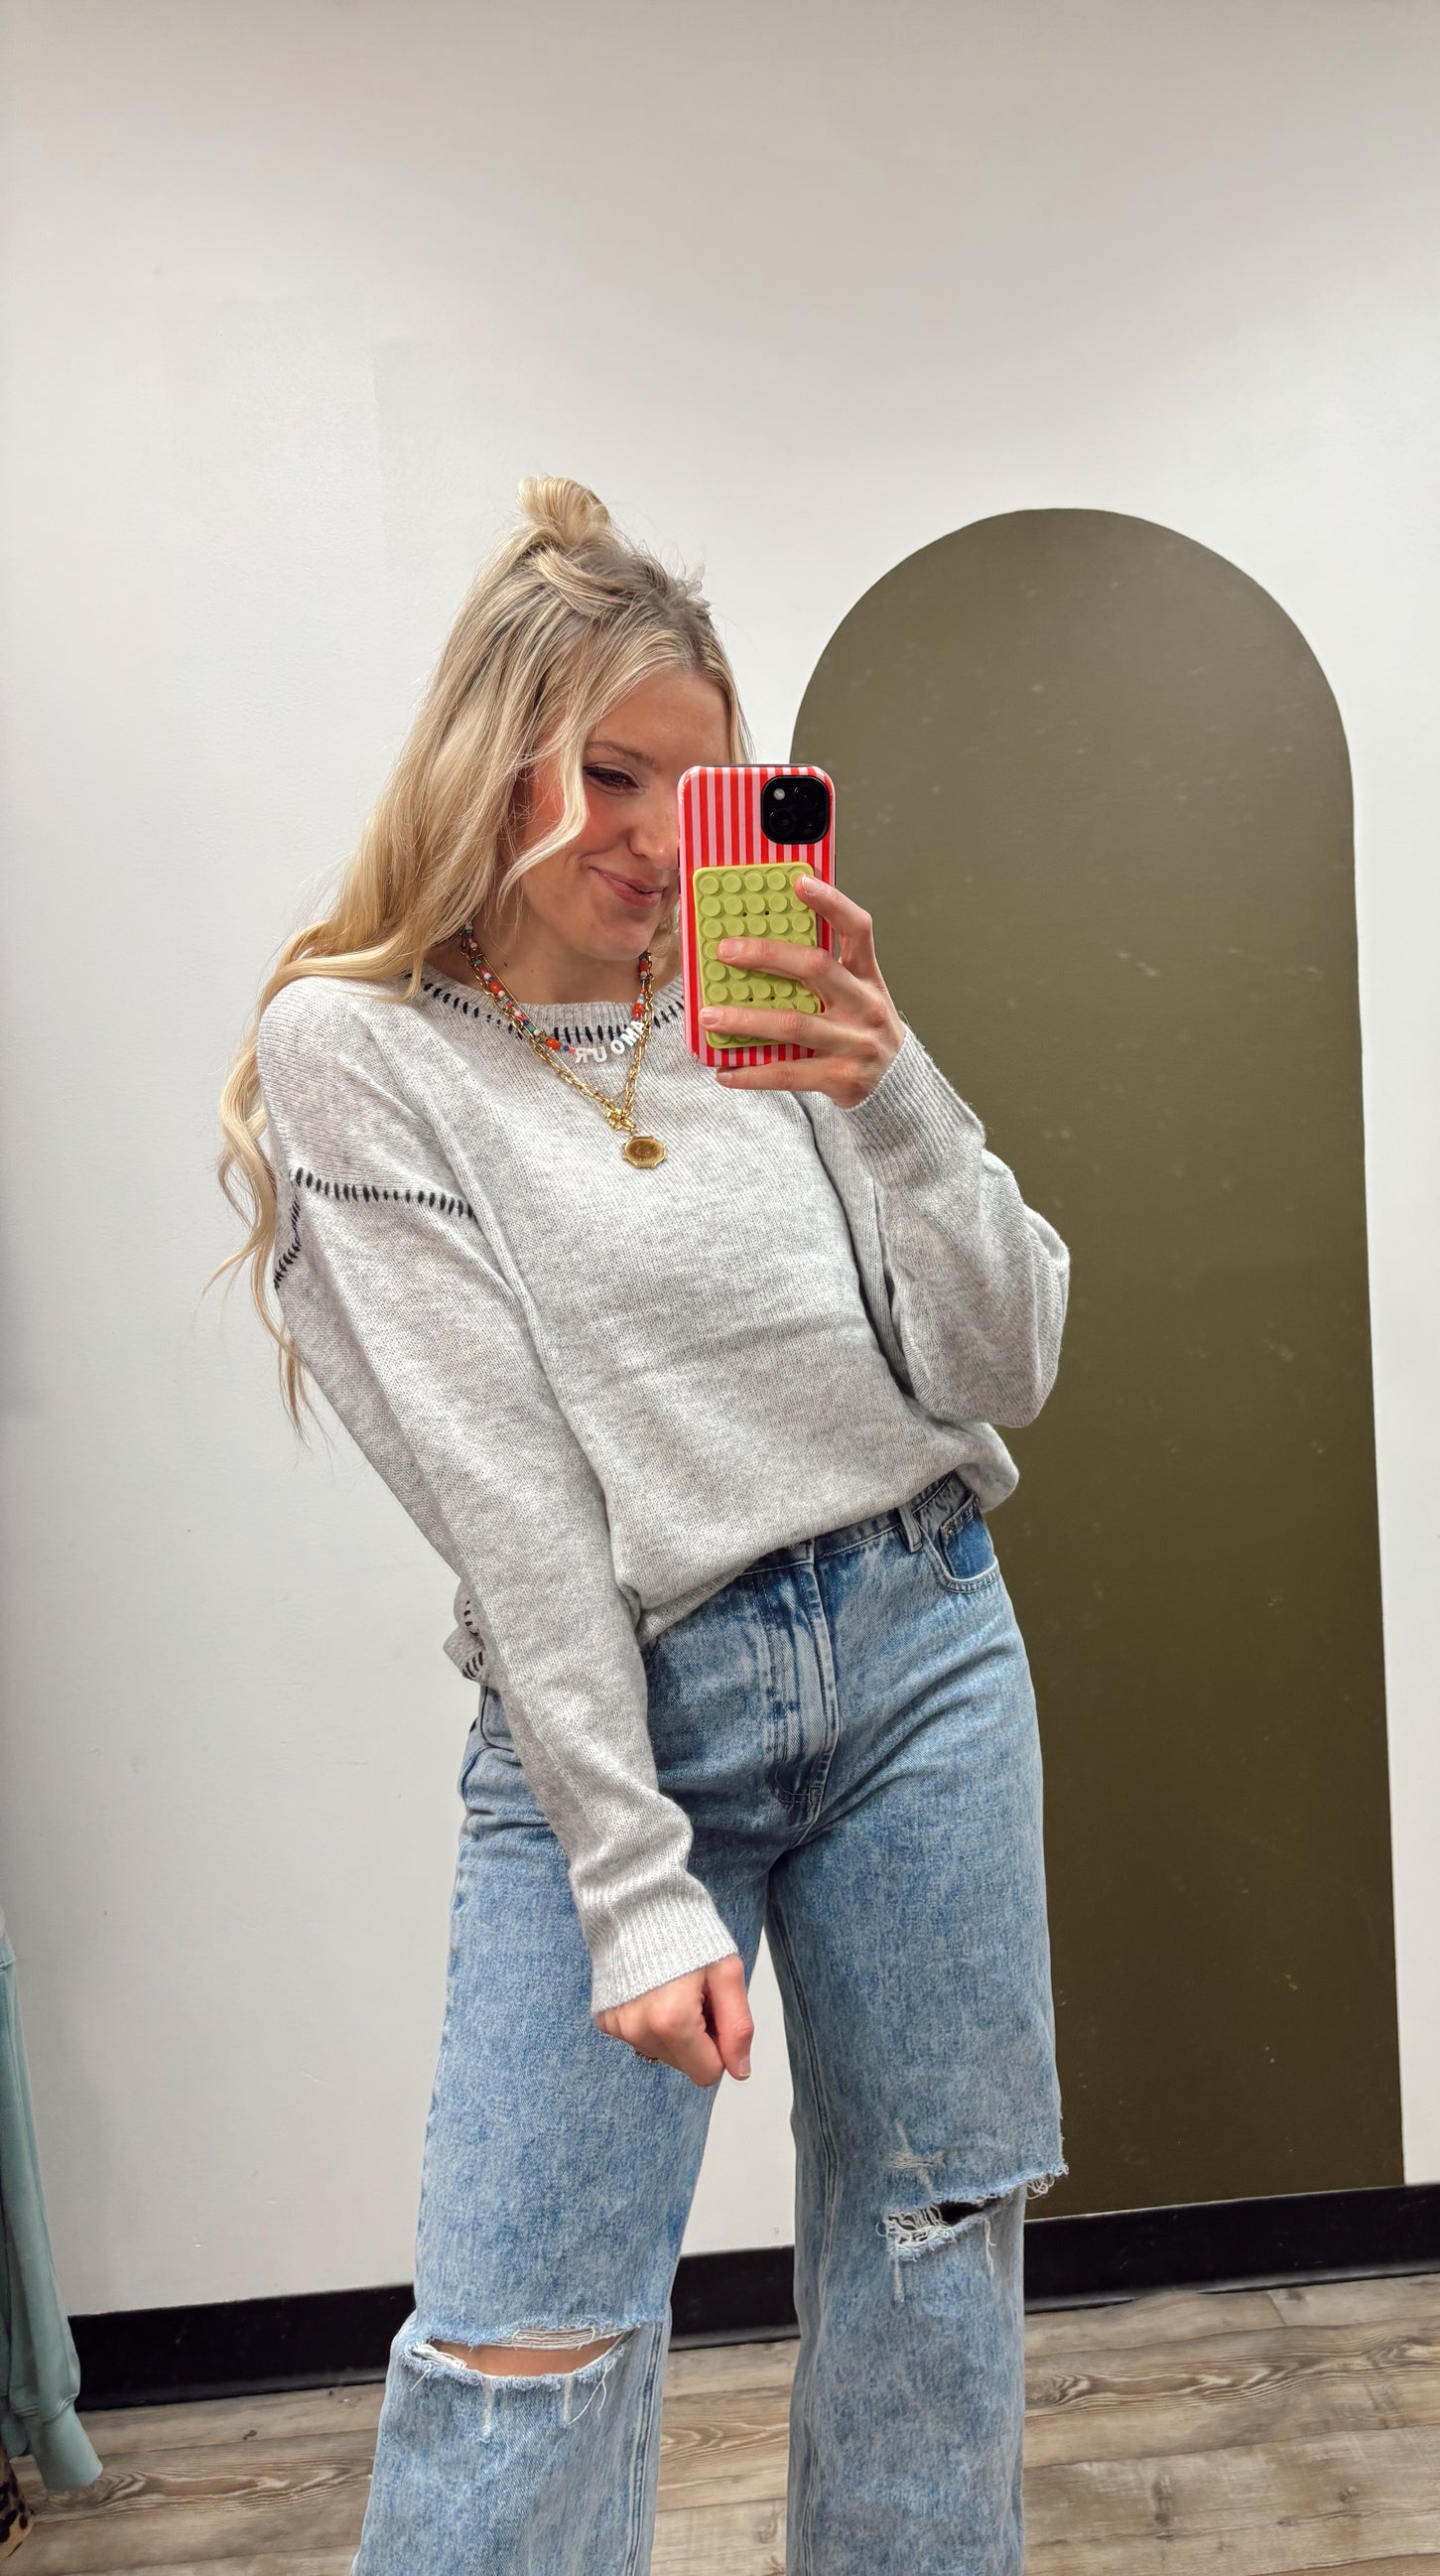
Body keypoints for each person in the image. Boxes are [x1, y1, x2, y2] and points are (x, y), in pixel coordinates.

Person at [217, 478, 1069, 2575]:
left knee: (934, 2268)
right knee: (524, 2342)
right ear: (488, 755)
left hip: (923, 1646)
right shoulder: (361, 1054)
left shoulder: (762, 1010)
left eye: (694, 791)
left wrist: (893, 1091)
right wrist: (627, 1876)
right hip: (626, 1710)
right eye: (606, 775)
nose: (652, 839)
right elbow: (509, 1498)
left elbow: (1006, 1357)